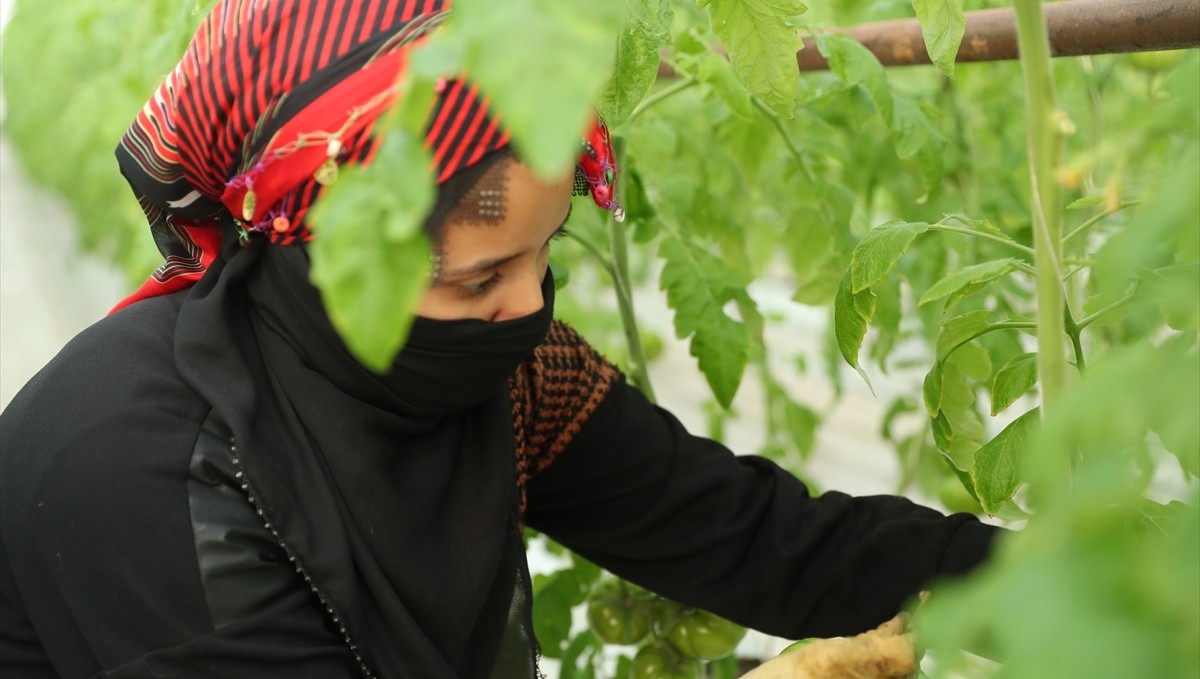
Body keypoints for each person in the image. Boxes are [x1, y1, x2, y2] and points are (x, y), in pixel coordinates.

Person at [0, 1, 1001, 677]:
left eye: (544, 249)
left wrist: (1052, 573)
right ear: (327, 242)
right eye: (480, 276)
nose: (527, 309)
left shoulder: (499, 374)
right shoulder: (144, 473)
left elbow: (747, 534)